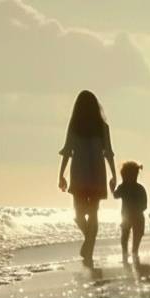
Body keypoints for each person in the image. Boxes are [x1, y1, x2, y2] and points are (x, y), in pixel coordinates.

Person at [58, 91, 117, 263]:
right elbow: (108, 154)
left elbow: (68, 152)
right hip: (96, 173)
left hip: (80, 172)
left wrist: (61, 175)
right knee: (89, 214)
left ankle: (89, 246)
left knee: (83, 213)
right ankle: (89, 242)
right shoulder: (98, 127)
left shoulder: (80, 126)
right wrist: (113, 175)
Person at [112, 161, 148, 264]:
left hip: (131, 216)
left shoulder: (128, 187)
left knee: (133, 234)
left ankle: (133, 251)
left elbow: (115, 195)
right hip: (132, 216)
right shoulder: (128, 187)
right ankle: (128, 252)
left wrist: (112, 189)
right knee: (127, 235)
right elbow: (144, 205)